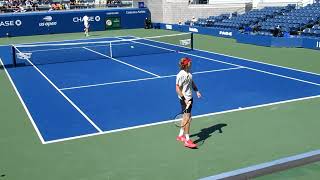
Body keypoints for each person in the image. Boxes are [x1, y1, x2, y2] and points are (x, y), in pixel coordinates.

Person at [175, 57, 201, 148]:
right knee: (188, 119)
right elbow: (177, 88)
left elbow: (191, 82)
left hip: (189, 98)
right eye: (190, 62)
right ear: (187, 64)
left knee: (186, 118)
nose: (191, 63)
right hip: (185, 100)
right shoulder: (181, 75)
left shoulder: (188, 73)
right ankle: (187, 140)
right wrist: (184, 99)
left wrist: (196, 90)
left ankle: (180, 135)